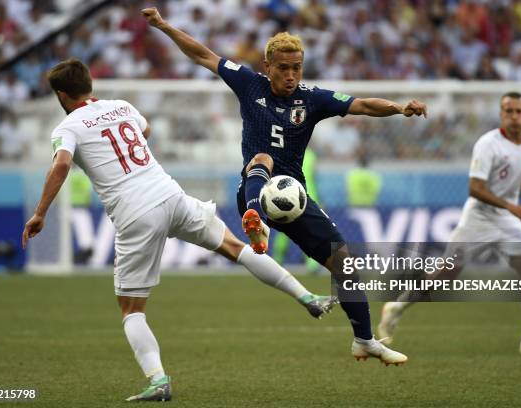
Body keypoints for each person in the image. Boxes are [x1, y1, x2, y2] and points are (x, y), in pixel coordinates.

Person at [21, 59, 338, 402]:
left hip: (135, 213)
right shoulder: (121, 106)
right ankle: (308, 296)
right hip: (170, 195)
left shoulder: (66, 128)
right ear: (89, 83)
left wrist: (40, 213)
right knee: (235, 247)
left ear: (61, 94)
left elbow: (63, 162)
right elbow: (144, 132)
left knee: (131, 309)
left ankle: (158, 380)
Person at [142, 7, 428, 365]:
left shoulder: (313, 98)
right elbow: (203, 55)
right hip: (257, 189)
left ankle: (365, 339)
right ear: (268, 65)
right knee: (262, 159)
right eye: (283, 67)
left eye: (296, 68)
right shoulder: (249, 84)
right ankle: (255, 220)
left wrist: (400, 108)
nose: (291, 75)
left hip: (294, 198)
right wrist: (164, 25)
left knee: (346, 264)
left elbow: (363, 105)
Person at [379, 92, 521, 355]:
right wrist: (511, 206)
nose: (514, 116)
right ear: (501, 114)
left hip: (507, 220)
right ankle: (397, 307)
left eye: (519, 111)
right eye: (509, 111)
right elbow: (475, 188)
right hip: (478, 218)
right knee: (444, 276)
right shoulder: (488, 144)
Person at [273, 147, 321, 274]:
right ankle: (312, 265)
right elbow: (314, 177)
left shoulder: (286, 151)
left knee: (285, 228)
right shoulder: (311, 154)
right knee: (309, 230)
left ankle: (277, 259)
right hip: (308, 194)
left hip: (289, 193)